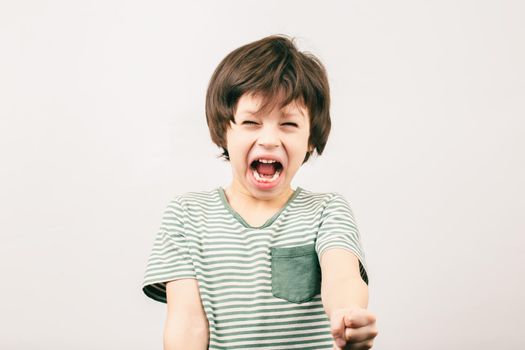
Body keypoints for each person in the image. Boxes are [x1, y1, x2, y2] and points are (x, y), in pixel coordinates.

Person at [142, 34, 378, 349]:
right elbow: (186, 323)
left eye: (288, 124)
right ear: (224, 131)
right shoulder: (187, 216)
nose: (268, 139)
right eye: (251, 122)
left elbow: (343, 276)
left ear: (311, 138)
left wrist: (349, 315)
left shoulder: (326, 211)